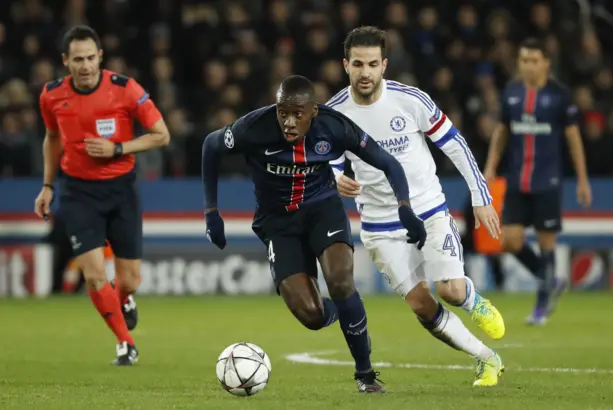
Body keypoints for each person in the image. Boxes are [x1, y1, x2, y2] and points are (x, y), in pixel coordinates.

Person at [202, 74, 427, 393]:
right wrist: (212, 212)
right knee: (310, 315)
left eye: (297, 114)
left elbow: (387, 162)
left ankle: (365, 374)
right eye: (283, 112)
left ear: (314, 112)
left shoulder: (335, 126)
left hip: (323, 211)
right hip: (278, 223)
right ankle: (346, 309)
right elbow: (211, 145)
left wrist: (405, 207)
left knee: (339, 279)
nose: (289, 122)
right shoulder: (254, 128)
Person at [328, 26, 505, 387]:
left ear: (384, 65)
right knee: (422, 305)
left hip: (427, 209)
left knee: (451, 291)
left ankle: (475, 301)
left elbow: (455, 145)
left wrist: (480, 197)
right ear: (345, 65)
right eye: (358, 64)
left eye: (373, 64)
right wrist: (334, 175)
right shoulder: (333, 114)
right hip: (378, 225)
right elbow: (323, 156)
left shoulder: (411, 100)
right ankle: (486, 359)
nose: (365, 72)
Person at [35, 25, 170, 365]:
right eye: (77, 59)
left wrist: (118, 148)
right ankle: (125, 343)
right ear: (66, 61)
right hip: (78, 192)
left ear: (100, 57)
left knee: (129, 279)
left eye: (90, 58)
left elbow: (161, 135)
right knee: (95, 276)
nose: (85, 66)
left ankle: (124, 299)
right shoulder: (51, 95)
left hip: (121, 190)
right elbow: (51, 139)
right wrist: (48, 185)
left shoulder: (125, 90)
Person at [484, 38, 592, 325]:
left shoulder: (559, 95)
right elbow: (502, 131)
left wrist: (582, 180)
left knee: (546, 243)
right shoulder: (512, 92)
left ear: (546, 62)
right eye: (523, 60)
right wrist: (490, 166)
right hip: (517, 179)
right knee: (509, 240)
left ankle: (541, 308)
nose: (528, 66)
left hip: (548, 181)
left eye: (533, 60)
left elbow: (573, 138)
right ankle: (550, 280)